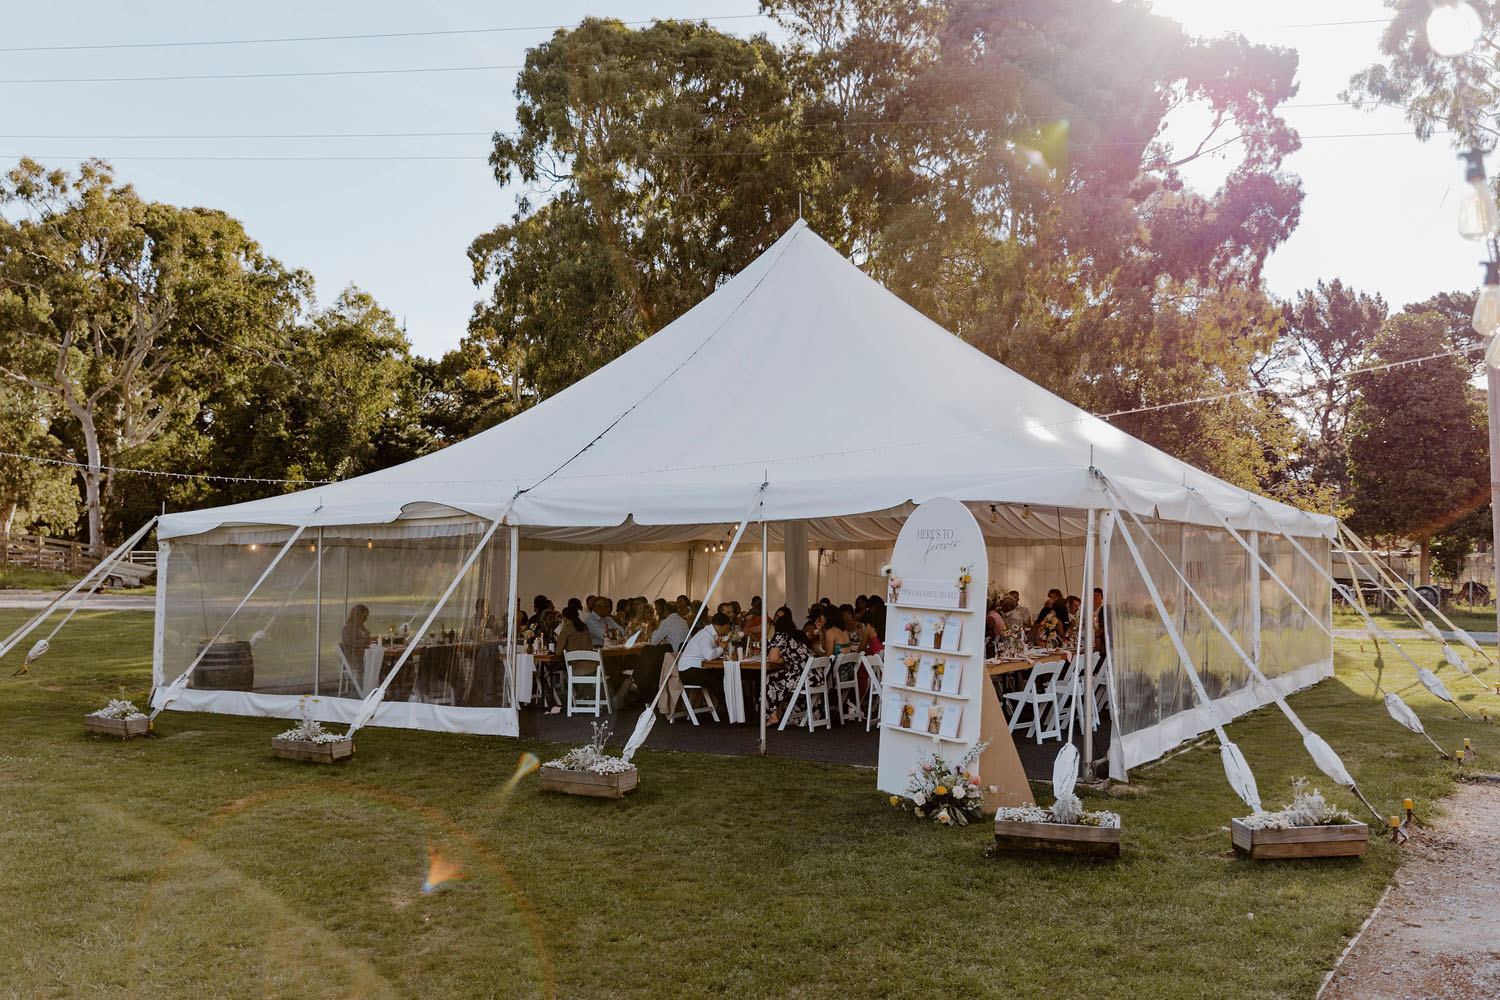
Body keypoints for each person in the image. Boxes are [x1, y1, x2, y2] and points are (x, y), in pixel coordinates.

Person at [763, 615, 818, 725]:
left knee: (769, 679)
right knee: (779, 677)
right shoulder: (799, 635)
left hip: (803, 677)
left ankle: (773, 715)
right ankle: (778, 713)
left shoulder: (781, 635)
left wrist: (782, 661)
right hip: (816, 676)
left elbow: (773, 658)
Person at [676, 611, 731, 708]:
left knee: (723, 676)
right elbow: (709, 656)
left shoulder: (709, 634)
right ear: (723, 626)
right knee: (718, 679)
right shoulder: (705, 635)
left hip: (694, 668)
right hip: (688, 671)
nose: (726, 631)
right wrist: (721, 648)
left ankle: (727, 706)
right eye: (726, 628)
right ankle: (727, 706)